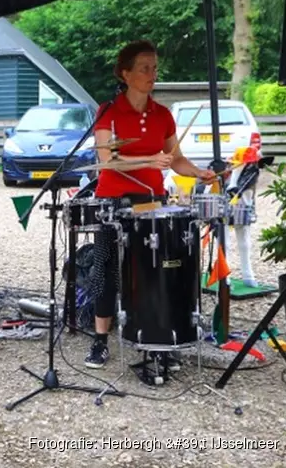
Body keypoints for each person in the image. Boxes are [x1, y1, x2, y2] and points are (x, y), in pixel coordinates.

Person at [85, 40, 216, 369]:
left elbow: (176, 160)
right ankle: (100, 340)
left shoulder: (164, 115)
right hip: (113, 201)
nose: (152, 74)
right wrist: (149, 157)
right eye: (144, 68)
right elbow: (106, 160)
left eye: (154, 67)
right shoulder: (108, 112)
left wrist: (199, 171)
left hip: (152, 202)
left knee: (155, 270)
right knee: (106, 268)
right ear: (125, 73)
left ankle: (159, 337)